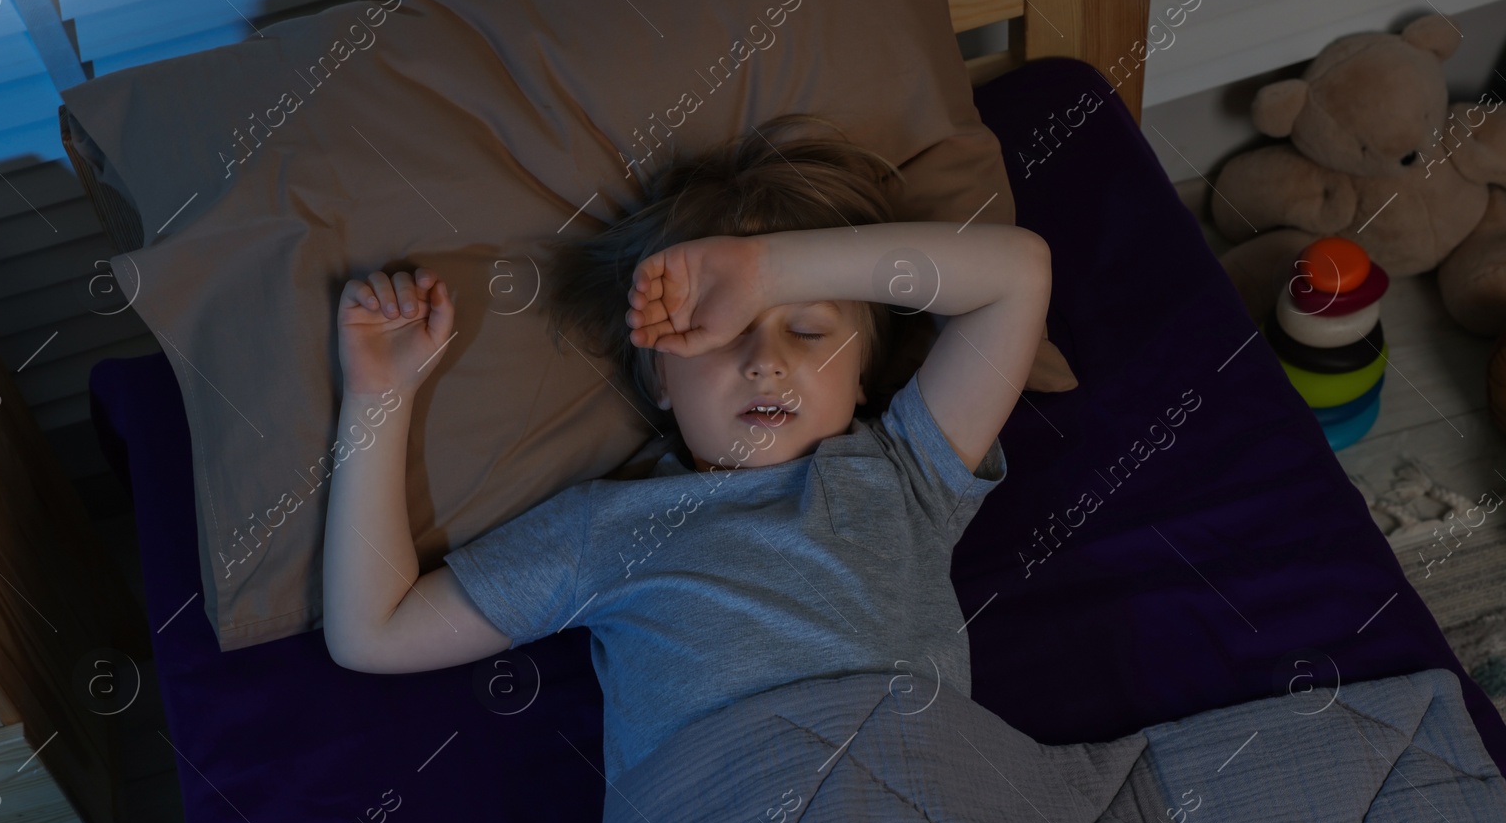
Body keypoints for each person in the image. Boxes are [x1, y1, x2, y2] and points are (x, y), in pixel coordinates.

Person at [321, 114, 1051, 785]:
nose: (766, 360)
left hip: (921, 798)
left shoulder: (905, 473)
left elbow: (1017, 276)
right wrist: (380, 396)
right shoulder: (605, 529)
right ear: (661, 379)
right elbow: (372, 632)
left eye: (807, 331)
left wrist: (767, 270)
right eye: (724, 331)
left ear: (864, 374)